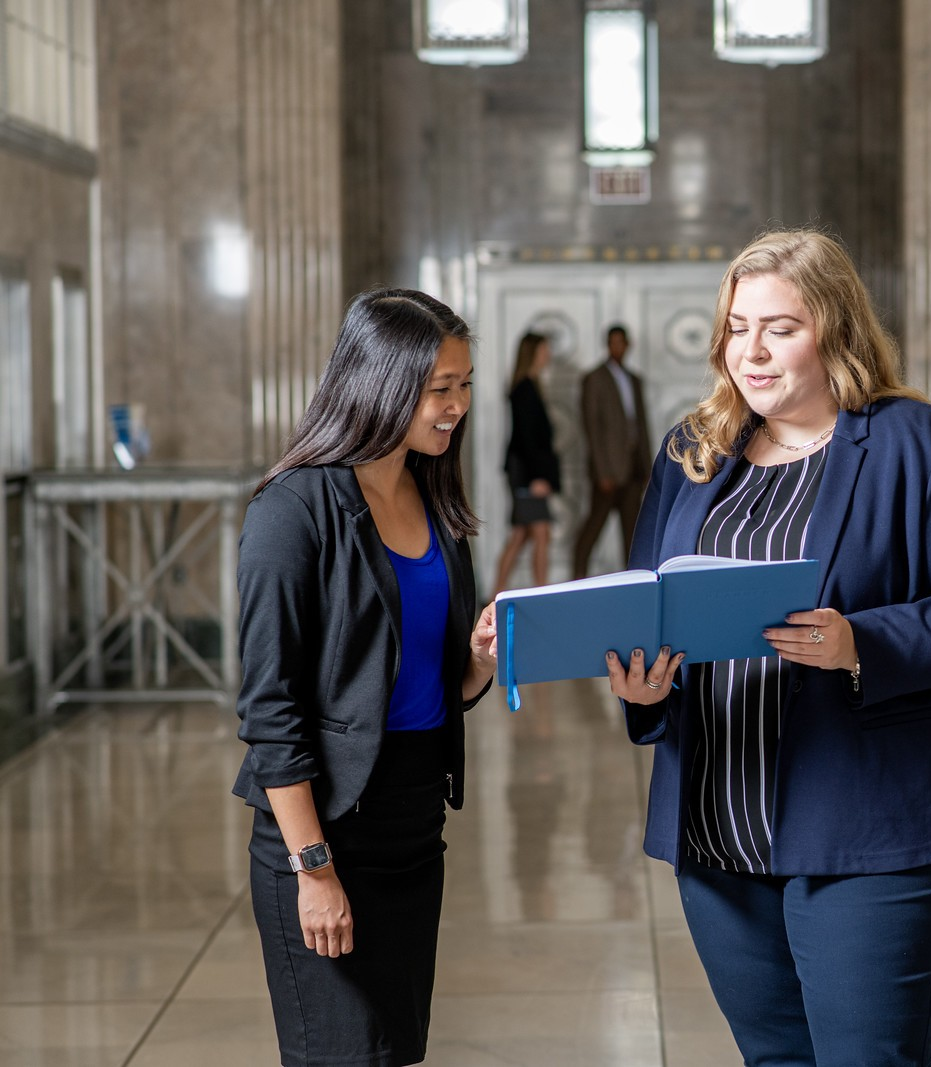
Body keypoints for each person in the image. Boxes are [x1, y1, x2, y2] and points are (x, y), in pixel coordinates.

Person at [606, 229, 931, 1066]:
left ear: (835, 329)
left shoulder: (925, 445)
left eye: (780, 327)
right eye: (736, 327)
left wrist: (858, 640)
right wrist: (644, 687)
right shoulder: (693, 451)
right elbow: (647, 602)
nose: (751, 351)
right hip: (718, 824)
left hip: (874, 825)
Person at [233, 287, 499, 1067]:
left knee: (390, 1053)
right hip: (328, 832)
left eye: (465, 384)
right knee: (341, 1054)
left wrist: (481, 660)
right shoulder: (293, 510)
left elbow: (436, 685)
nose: (457, 406)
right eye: (439, 388)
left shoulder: (434, 495)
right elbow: (270, 709)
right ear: (380, 382)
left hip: (416, 826)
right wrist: (313, 869)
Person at [571, 323, 652, 578]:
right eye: (612, 343)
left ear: (628, 345)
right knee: (593, 529)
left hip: (633, 468)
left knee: (632, 534)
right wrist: (601, 470)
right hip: (608, 471)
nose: (617, 348)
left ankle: (634, 583)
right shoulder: (594, 379)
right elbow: (591, 428)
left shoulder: (634, 380)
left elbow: (641, 425)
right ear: (607, 345)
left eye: (621, 343)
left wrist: (649, 467)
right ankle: (578, 579)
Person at [492, 331, 561, 592]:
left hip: (524, 473)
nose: (548, 355)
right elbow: (526, 440)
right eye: (544, 350)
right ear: (533, 353)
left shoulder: (530, 386)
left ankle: (495, 592)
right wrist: (536, 478)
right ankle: (541, 593)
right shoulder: (525, 390)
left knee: (522, 535)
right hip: (527, 475)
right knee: (539, 534)